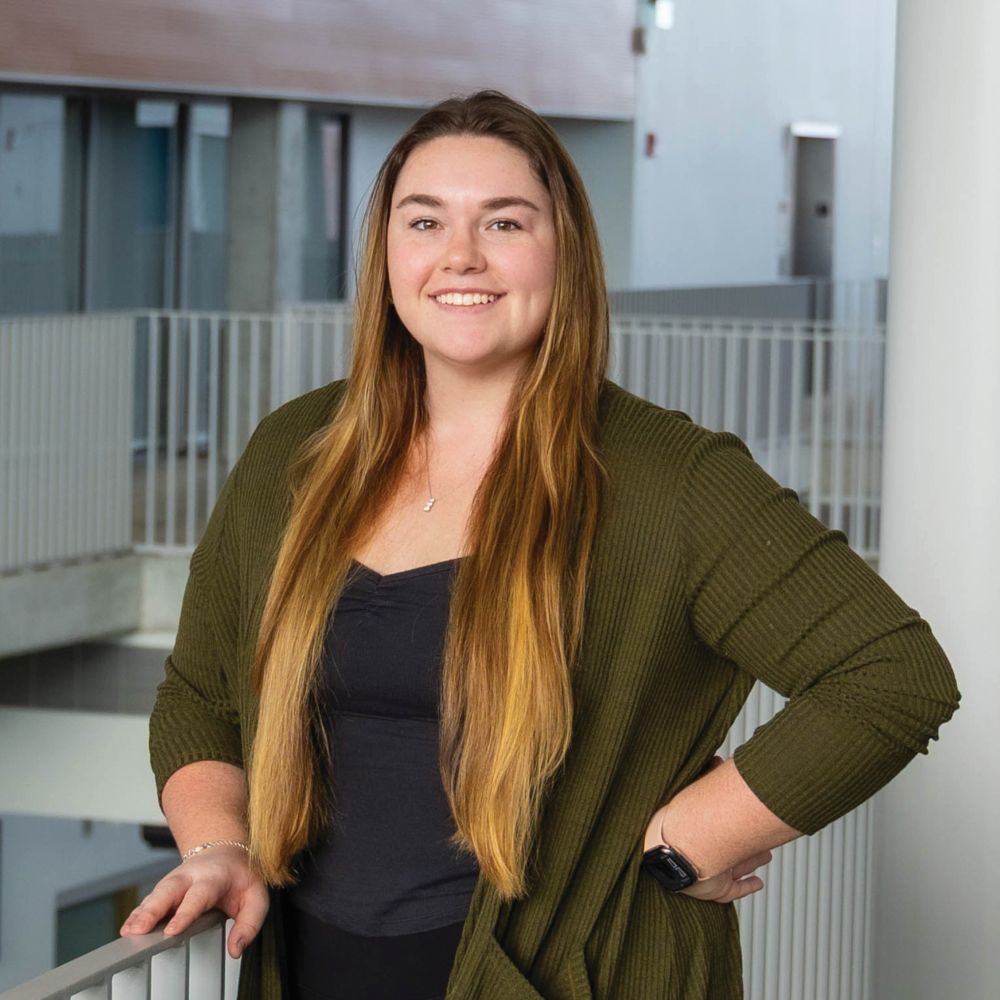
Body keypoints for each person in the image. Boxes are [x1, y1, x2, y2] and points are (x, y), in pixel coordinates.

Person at [121, 91, 960, 1000]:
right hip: (304, 967)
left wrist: (691, 842)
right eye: (425, 220)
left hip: (560, 977)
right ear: (387, 256)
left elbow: (890, 673)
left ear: (565, 252)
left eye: (505, 222)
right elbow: (202, 694)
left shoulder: (669, 481)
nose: (460, 257)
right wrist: (219, 848)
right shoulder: (298, 451)